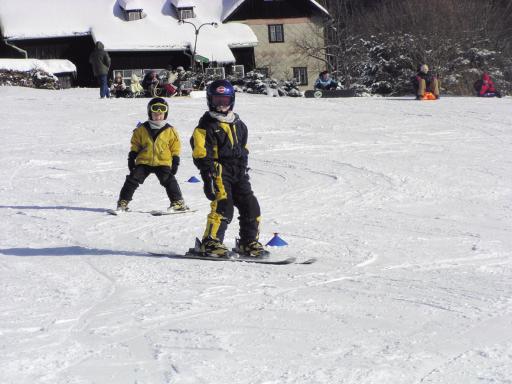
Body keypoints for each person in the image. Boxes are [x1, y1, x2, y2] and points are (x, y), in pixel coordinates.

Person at [190, 79, 268, 257]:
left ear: (231, 101)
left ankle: (248, 242)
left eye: (224, 101)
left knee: (251, 206)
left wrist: (243, 167)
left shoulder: (240, 125)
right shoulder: (205, 126)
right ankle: (210, 241)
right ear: (210, 100)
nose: (221, 105)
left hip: (238, 172)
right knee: (224, 204)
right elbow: (200, 152)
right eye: (217, 101)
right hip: (218, 170)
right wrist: (207, 174)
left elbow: (244, 148)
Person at [115, 97, 188, 213]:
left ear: (165, 114)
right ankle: (122, 203)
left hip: (162, 161)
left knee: (168, 179)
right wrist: (132, 156)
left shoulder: (170, 130)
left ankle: (178, 202)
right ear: (150, 113)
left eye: (161, 114)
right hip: (144, 161)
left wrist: (175, 160)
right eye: (155, 114)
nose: (158, 117)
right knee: (132, 179)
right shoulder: (142, 129)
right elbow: (135, 144)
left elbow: (175, 146)